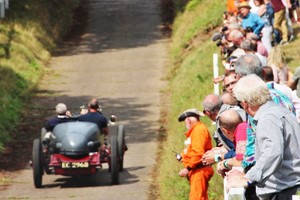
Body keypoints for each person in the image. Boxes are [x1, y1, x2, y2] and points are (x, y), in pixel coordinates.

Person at [227, 74, 300, 199]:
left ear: (245, 103)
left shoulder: (268, 119)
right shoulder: (279, 111)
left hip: (283, 190)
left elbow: (272, 152)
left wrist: (248, 178)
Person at [177, 108, 214, 200]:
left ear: (188, 120)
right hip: (197, 170)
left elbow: (198, 153)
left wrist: (188, 168)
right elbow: (192, 149)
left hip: (199, 170)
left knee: (197, 198)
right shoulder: (195, 130)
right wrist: (183, 156)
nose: (185, 124)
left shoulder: (198, 130)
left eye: (185, 121)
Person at [216, 109, 247, 177]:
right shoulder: (244, 126)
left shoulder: (242, 130)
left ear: (225, 131)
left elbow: (241, 161)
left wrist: (224, 164)